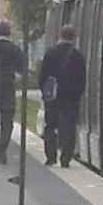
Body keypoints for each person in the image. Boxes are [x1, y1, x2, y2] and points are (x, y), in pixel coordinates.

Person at [40, 22, 88, 168]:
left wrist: (45, 92)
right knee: (69, 127)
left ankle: (51, 156)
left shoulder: (50, 53)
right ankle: (65, 158)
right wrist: (77, 94)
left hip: (52, 97)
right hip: (71, 98)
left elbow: (42, 76)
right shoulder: (78, 55)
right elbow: (82, 79)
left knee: (50, 126)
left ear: (60, 35)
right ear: (74, 37)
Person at [0, 23, 27, 162]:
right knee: (7, 120)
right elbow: (22, 70)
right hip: (8, 87)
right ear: (9, 33)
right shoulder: (15, 49)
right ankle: (1, 150)